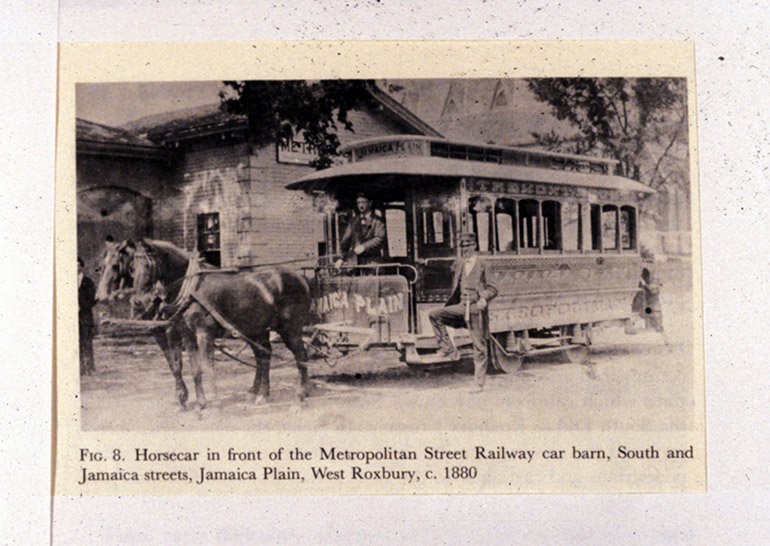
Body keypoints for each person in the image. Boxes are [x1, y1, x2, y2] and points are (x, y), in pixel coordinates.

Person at [429, 232, 498, 392]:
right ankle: (449, 350)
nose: (465, 249)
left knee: (479, 345)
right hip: (461, 305)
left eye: (468, 246)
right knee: (435, 315)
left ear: (474, 246)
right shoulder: (459, 263)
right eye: (462, 247)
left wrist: (483, 299)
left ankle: (479, 383)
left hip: (475, 307)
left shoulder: (483, 264)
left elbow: (493, 288)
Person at [335, 192, 386, 268]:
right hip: (355, 263)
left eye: (363, 202)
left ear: (370, 203)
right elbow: (346, 241)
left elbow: (379, 239)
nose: (361, 205)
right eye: (358, 203)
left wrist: (364, 247)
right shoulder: (353, 221)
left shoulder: (378, 221)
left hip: (372, 263)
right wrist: (340, 258)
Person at [78, 257, 97, 375]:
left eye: (78, 265)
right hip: (73, 317)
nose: (76, 268)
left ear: (82, 267)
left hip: (85, 316)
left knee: (87, 342)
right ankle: (80, 368)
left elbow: (92, 300)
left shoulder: (88, 282)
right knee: (76, 343)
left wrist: (82, 306)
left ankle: (90, 368)